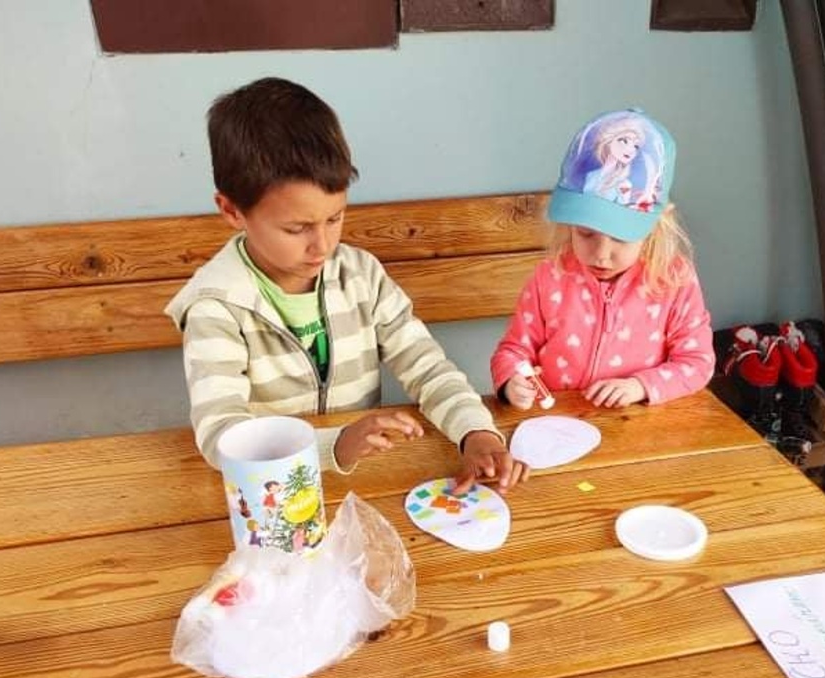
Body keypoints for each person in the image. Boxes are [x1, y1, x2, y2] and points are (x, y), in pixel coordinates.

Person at [165, 78, 526, 492]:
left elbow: (428, 368)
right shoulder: (216, 306)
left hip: (361, 483)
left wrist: (476, 433)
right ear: (231, 210)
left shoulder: (361, 276)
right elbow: (222, 435)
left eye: (334, 218)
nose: (322, 245)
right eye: (296, 228)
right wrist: (334, 447)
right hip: (271, 496)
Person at [491, 109, 714, 410]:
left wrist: (640, 386)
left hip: (636, 425)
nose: (601, 254)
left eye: (621, 237)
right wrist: (510, 381)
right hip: (559, 422)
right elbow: (514, 350)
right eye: (585, 233)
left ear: (656, 224)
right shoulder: (550, 276)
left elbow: (697, 362)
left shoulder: (673, 280)